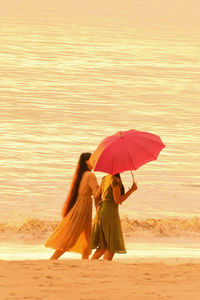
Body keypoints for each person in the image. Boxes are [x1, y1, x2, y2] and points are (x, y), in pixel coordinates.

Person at [45, 152, 99, 259]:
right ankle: (53, 259)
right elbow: (96, 194)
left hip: (81, 206)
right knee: (71, 236)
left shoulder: (82, 174)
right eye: (92, 160)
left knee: (87, 235)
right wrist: (103, 187)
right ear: (86, 162)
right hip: (83, 208)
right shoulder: (90, 175)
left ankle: (85, 260)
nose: (94, 162)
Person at [90, 173, 137, 261]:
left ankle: (91, 263)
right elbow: (117, 200)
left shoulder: (105, 178)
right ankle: (105, 265)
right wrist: (132, 190)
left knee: (103, 245)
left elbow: (96, 196)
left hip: (101, 211)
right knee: (112, 245)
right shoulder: (115, 181)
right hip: (110, 213)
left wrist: (98, 211)